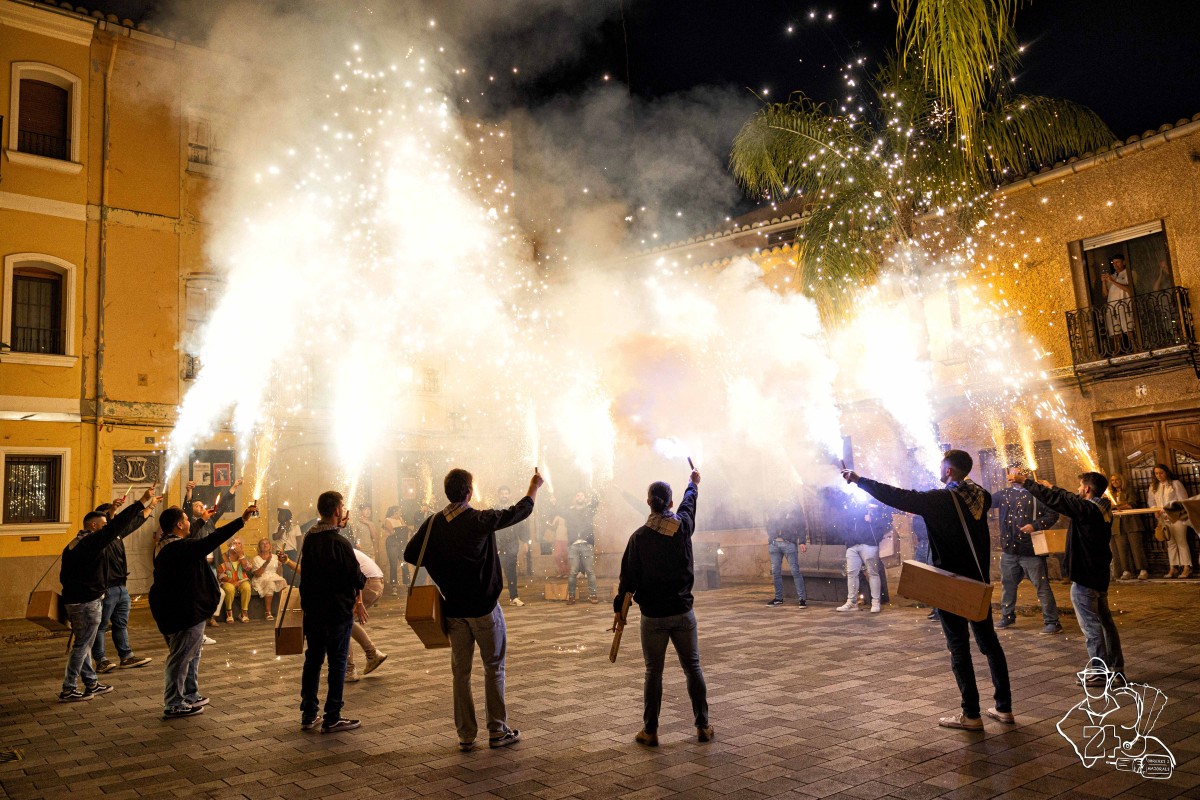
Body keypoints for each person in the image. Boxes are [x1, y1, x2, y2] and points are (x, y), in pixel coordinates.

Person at [843, 450, 1012, 730]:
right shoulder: (981, 495)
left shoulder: (941, 499)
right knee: (990, 644)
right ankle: (1004, 708)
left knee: (959, 647)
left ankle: (971, 715)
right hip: (979, 581)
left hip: (951, 582)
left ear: (949, 471)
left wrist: (860, 480)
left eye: (941, 466)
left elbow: (898, 495)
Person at [404, 468, 542, 752]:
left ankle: (466, 734)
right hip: (483, 608)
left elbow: (410, 554)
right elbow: (518, 512)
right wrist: (533, 487)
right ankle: (497, 731)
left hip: (453, 610)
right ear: (468, 491)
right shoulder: (479, 519)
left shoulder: (433, 524)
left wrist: (443, 565)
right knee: (493, 668)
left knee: (461, 673)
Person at [613, 468, 711, 747]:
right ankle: (703, 726)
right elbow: (688, 504)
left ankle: (650, 731)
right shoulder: (682, 529)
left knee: (653, 672)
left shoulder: (639, 537)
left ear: (648, 503)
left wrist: (620, 607)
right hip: (682, 611)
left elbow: (628, 580)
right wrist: (693, 484)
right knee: (693, 668)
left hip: (653, 616)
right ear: (669, 503)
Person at [150, 497, 256, 718]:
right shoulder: (178, 548)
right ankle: (174, 702)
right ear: (179, 525)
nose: (190, 521)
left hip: (182, 609)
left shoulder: (166, 544)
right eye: (187, 519)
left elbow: (196, 539)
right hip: (184, 612)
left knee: (191, 654)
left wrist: (203, 521)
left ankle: (190, 694)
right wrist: (241, 520)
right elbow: (210, 540)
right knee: (180, 657)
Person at [1012, 469, 1123, 676]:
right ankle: (1116, 668)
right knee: (1106, 624)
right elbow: (1068, 498)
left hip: (1085, 576)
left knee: (1091, 627)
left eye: (1081, 487)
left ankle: (1100, 672)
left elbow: (1062, 502)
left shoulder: (1088, 510)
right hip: (1097, 576)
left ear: (1088, 489)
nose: (1078, 490)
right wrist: (1052, 488)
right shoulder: (1102, 508)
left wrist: (1026, 482)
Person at [57, 490, 152, 702]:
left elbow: (64, 575)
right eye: (103, 524)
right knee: (82, 645)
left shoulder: (74, 543)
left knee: (84, 643)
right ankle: (69, 688)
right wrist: (142, 502)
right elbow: (118, 526)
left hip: (76, 600)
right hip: (86, 602)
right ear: (93, 525)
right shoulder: (90, 543)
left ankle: (91, 683)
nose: (107, 527)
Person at [298, 491, 367, 733]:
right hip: (337, 611)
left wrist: (339, 528)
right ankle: (333, 716)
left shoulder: (310, 539)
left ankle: (308, 713)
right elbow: (356, 576)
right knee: (337, 663)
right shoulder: (340, 542)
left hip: (313, 611)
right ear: (337, 510)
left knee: (313, 660)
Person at [91, 497, 157, 673]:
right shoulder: (97, 539)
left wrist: (150, 506)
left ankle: (126, 656)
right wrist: (112, 510)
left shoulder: (118, 534)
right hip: (106, 588)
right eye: (110, 518)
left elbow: (135, 522)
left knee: (121, 624)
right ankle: (100, 660)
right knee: (101, 626)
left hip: (121, 587)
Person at [992, 482, 1063, 634]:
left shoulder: (1037, 493)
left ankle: (1052, 621)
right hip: (1010, 550)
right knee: (1008, 585)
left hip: (1031, 550)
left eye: (1017, 473)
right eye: (1010, 473)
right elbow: (987, 502)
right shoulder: (1005, 493)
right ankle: (1007, 615)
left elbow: (1053, 514)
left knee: (1041, 586)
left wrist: (1035, 525)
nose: (1012, 477)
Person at [346, 547, 388, 682]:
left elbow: (353, 574)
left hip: (367, 584)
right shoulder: (337, 544)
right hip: (374, 582)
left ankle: (349, 669)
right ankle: (372, 654)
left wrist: (359, 601)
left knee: (341, 622)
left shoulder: (332, 548)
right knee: (345, 621)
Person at [835, 503, 883, 613]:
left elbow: (884, 521)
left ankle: (875, 602)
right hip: (852, 544)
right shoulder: (850, 502)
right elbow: (846, 522)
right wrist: (847, 539)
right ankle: (852, 602)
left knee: (873, 573)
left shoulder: (873, 501)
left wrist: (873, 519)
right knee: (851, 573)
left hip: (869, 543)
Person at [1149, 464, 1191, 578]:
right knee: (1170, 543)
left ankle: (1186, 567)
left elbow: (1183, 500)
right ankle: (1173, 567)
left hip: (1177, 516)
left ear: (1166, 472)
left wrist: (1170, 509)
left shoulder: (1175, 484)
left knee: (1181, 541)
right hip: (1163, 519)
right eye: (1156, 473)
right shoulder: (1153, 486)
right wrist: (1155, 510)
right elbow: (1151, 502)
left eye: (1161, 473)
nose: (1159, 475)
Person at [764, 501, 808, 608]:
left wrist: (802, 541)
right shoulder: (773, 503)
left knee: (795, 571)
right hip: (774, 543)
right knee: (775, 572)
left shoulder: (794, 504)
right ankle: (778, 598)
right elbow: (769, 521)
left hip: (789, 542)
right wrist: (771, 536)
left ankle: (802, 599)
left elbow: (801, 525)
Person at [1109, 473, 1148, 581]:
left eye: (1117, 479)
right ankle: (1127, 570)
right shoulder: (1111, 493)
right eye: (1112, 480)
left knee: (1136, 547)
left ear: (1122, 480)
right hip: (1117, 524)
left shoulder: (1129, 491)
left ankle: (1142, 569)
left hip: (1131, 522)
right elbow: (1109, 506)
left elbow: (1131, 504)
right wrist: (1119, 505)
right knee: (1121, 548)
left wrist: (1118, 505)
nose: (1115, 482)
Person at [565, 491, 599, 604]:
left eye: (582, 496)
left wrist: (593, 491)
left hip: (586, 544)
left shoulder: (589, 510)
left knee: (589, 571)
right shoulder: (570, 511)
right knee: (573, 572)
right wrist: (553, 503)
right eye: (578, 495)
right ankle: (571, 596)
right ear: (575, 498)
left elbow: (595, 503)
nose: (580, 497)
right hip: (573, 545)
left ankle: (593, 595)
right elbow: (559, 511)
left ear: (585, 498)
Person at [494, 486, 525, 607]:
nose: (504, 495)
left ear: (509, 495)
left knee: (511, 572)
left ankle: (514, 597)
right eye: (502, 493)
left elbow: (521, 526)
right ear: (499, 495)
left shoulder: (514, 509)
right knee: (495, 574)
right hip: (497, 546)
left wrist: (525, 541)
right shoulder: (494, 509)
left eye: (506, 493)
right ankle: (493, 600)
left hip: (512, 546)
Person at [1101, 254, 1133, 355]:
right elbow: (1105, 294)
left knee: (1129, 331)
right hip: (1112, 309)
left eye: (1117, 262)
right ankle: (1118, 354)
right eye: (1113, 263)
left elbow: (1129, 290)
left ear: (1123, 262)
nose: (1115, 265)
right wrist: (1104, 283)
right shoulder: (1112, 276)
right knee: (1115, 334)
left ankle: (1137, 349)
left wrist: (1112, 281)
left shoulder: (1129, 273)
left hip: (1125, 306)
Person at [250, 538, 289, 620]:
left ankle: (284, 609)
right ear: (260, 547)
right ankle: (268, 612)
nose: (265, 545)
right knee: (270, 583)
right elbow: (257, 574)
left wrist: (280, 565)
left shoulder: (275, 557)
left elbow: (279, 573)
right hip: (261, 578)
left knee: (282, 581)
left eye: (267, 543)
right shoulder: (256, 559)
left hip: (274, 576)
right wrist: (266, 562)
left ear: (270, 546)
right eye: (262, 544)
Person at [217, 538, 253, 623]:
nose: (237, 545)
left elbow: (248, 568)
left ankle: (244, 613)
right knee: (229, 589)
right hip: (227, 581)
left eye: (239, 543)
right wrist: (232, 581)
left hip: (241, 580)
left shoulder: (243, 555)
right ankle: (229, 612)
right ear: (229, 545)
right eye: (234, 543)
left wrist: (241, 556)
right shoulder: (224, 556)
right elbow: (220, 574)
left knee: (247, 587)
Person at [382, 505, 408, 592]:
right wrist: (400, 530)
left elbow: (405, 529)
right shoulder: (388, 520)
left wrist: (402, 529)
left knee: (404, 562)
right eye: (399, 511)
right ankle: (394, 585)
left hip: (401, 541)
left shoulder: (400, 519)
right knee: (393, 563)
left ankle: (407, 583)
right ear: (394, 512)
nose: (400, 513)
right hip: (392, 542)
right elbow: (392, 532)